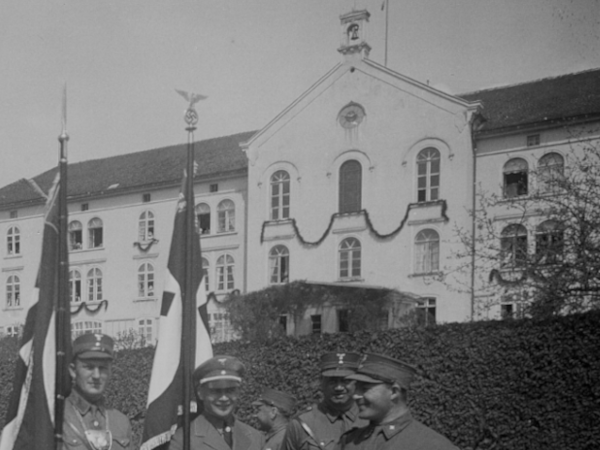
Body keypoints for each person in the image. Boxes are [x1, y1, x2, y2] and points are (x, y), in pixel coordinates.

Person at [339, 353, 459, 450]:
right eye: (356, 388)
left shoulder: (432, 445)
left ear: (394, 392)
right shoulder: (350, 441)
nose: (355, 396)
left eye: (365, 389)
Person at [169, 355, 264, 450]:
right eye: (216, 391)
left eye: (230, 390)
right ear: (200, 393)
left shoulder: (255, 437)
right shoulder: (184, 440)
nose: (224, 398)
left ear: (238, 392)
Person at [281, 352, 368, 450]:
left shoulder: (370, 419)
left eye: (346, 381)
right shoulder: (302, 424)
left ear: (357, 383)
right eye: (332, 381)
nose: (339, 387)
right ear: (321, 382)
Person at [62, 333, 133, 450]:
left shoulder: (120, 421)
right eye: (89, 367)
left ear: (110, 372)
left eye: (103, 368)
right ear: (73, 371)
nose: (96, 375)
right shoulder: (57, 417)